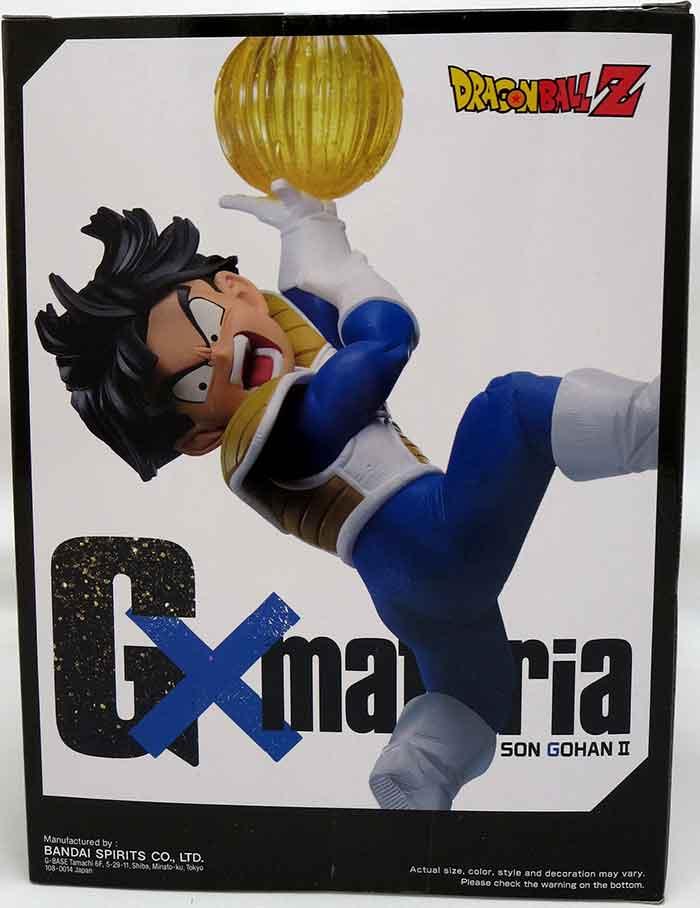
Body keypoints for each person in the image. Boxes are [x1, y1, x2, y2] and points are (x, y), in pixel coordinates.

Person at [37, 181, 660, 811]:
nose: (223, 354)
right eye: (195, 382)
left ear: (235, 288)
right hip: (438, 541)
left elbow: (311, 309)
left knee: (477, 689)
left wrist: (308, 228)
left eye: (206, 320)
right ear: (198, 436)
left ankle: (424, 765)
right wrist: (349, 270)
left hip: (405, 595)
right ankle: (646, 423)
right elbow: (383, 342)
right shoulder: (276, 432)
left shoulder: (275, 353)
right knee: (511, 409)